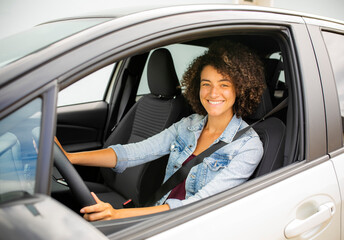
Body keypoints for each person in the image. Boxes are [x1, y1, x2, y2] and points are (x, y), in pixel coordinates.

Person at [56, 40, 266, 221]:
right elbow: (134, 152)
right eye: (206, 83)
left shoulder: (248, 146)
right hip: (158, 214)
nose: (213, 93)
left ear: (241, 88)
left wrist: (116, 215)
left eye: (224, 85)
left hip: (188, 225)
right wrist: (69, 157)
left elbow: (199, 205)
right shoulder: (189, 124)